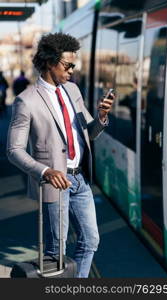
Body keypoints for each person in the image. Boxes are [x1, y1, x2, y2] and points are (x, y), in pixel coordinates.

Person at [7, 33, 115, 278]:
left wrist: (101, 117)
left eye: (73, 65)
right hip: (55, 183)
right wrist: (45, 172)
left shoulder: (73, 90)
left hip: (81, 180)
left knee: (91, 241)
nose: (72, 71)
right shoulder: (26, 101)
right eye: (67, 65)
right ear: (49, 62)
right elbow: (13, 150)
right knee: (57, 250)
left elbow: (90, 133)